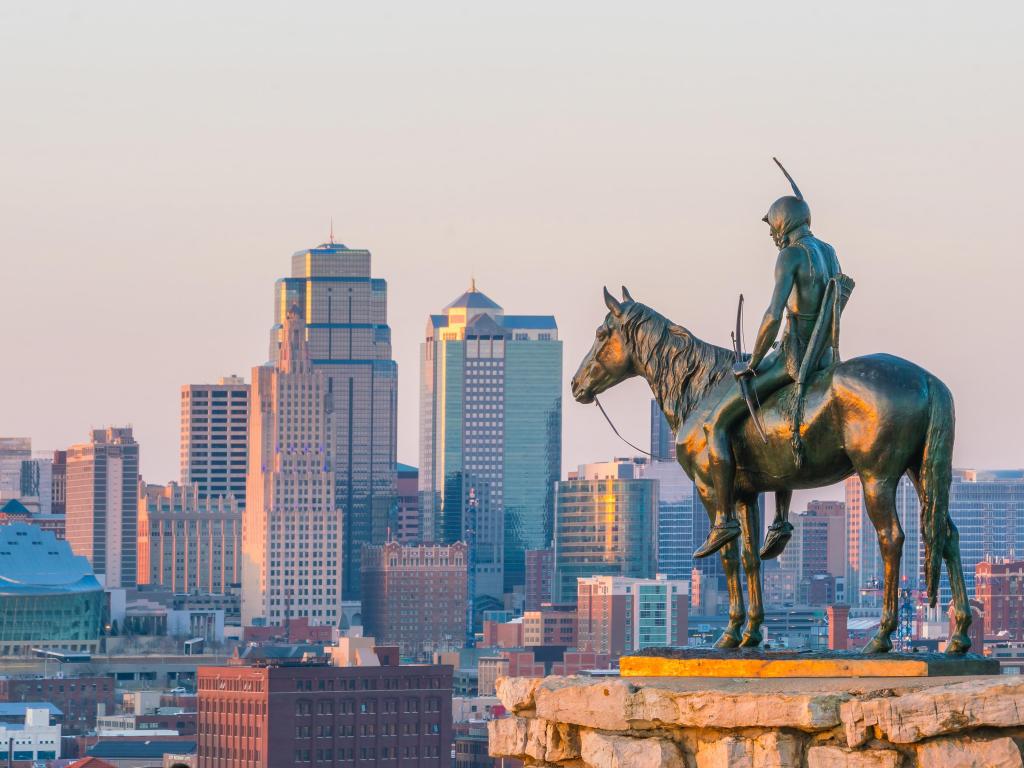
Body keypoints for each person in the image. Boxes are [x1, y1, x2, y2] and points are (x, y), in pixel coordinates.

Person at [694, 159, 849, 559]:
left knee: (717, 424)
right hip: (826, 357)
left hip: (794, 358)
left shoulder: (791, 257)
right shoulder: (828, 252)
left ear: (782, 222)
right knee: (774, 422)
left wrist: (753, 361)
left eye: (771, 226)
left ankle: (725, 518)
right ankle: (779, 519)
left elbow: (773, 314)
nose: (770, 235)